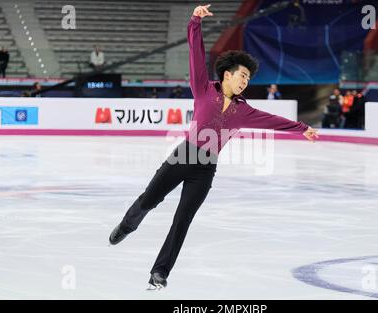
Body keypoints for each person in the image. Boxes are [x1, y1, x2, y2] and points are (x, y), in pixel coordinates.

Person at [108, 4, 319, 290]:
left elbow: (273, 121)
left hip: (206, 168)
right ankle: (127, 225)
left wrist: (301, 128)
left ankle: (160, 272)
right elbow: (196, 55)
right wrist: (195, 21)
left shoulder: (245, 111)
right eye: (242, 75)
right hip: (183, 155)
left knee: (182, 220)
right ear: (227, 75)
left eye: (248, 78)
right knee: (150, 199)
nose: (245, 81)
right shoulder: (204, 89)